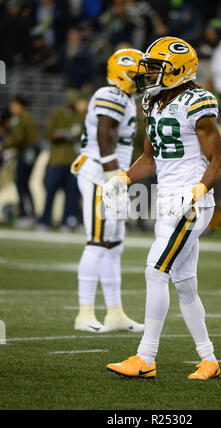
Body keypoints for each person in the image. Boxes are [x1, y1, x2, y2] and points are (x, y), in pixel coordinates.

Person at [103, 37, 221, 380]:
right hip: (166, 201)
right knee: (185, 284)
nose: (151, 74)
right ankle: (209, 360)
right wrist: (124, 179)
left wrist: (199, 190)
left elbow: (219, 161)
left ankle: (146, 357)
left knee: (155, 270)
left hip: (191, 203)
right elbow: (150, 157)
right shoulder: (153, 102)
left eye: (157, 67)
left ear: (178, 70)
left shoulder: (197, 103)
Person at [70, 48, 145, 333]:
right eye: (139, 74)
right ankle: (84, 313)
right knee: (98, 241)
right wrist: (116, 179)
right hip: (100, 175)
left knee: (114, 245)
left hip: (111, 176)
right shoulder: (111, 94)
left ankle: (115, 313)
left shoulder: (124, 97)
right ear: (123, 74)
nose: (144, 79)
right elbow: (104, 135)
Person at [39, 89, 83, 230]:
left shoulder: (80, 116)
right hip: (57, 160)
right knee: (51, 191)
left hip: (73, 162)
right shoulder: (58, 114)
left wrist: (70, 135)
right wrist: (65, 135)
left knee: (71, 195)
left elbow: (83, 135)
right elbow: (49, 134)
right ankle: (45, 221)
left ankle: (66, 222)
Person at [0, 96, 40, 227]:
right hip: (30, 151)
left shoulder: (19, 119)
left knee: (21, 182)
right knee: (23, 183)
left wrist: (4, 146)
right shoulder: (27, 117)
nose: (12, 108)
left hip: (27, 151)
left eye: (13, 105)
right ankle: (30, 213)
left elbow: (18, 138)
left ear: (19, 105)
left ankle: (25, 214)